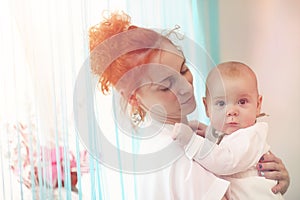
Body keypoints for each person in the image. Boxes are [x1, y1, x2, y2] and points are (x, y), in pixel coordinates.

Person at [88, 11, 289, 199]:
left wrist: (265, 178)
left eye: (183, 70)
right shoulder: (175, 153)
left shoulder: (183, 137)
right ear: (133, 97)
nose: (186, 87)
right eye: (166, 86)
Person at [173, 61, 287, 199]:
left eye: (242, 102)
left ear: (258, 105)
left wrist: (192, 141)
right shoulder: (231, 133)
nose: (231, 111)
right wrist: (209, 132)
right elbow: (226, 142)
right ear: (207, 107)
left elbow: (225, 160)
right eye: (221, 103)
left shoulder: (251, 136)